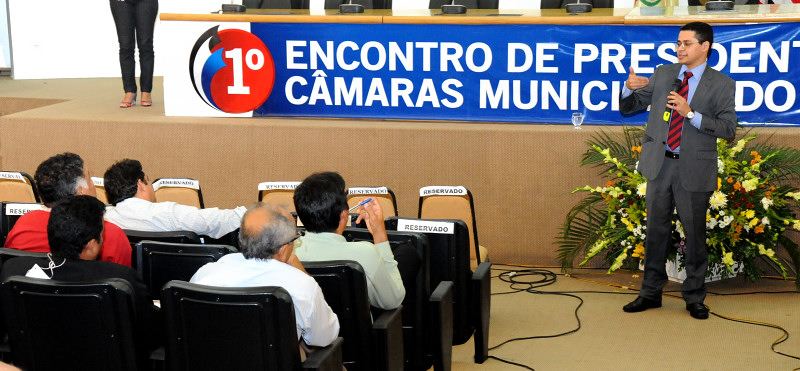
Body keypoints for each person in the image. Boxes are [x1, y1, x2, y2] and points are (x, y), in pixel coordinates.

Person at [619, 22, 737, 320]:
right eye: (678, 43)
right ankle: (650, 293)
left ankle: (694, 297)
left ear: (704, 46)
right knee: (655, 233)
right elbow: (630, 107)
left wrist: (691, 114)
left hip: (693, 169)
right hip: (660, 165)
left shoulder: (722, 84)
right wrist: (628, 87)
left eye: (686, 43)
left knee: (695, 235)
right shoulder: (664, 74)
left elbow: (727, 129)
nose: (680, 48)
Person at [1, 196, 161, 351]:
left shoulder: (13, 270)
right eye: (102, 234)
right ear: (91, 245)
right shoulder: (122, 279)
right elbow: (150, 335)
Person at [191, 203, 339, 348]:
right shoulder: (302, 286)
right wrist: (304, 275)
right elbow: (324, 338)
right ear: (282, 249)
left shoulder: (205, 273)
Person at [293, 171, 419, 310]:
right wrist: (379, 233)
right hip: (359, 329)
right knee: (408, 253)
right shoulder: (364, 252)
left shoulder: (289, 252)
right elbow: (392, 301)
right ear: (344, 215)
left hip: (312, 326)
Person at [4, 153, 131, 267]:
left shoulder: (22, 227)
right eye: (89, 179)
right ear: (81, 192)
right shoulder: (110, 235)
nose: (94, 185)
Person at [103, 159, 245, 239]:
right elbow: (216, 221)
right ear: (141, 185)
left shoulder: (105, 218)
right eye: (148, 180)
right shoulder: (169, 214)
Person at [109, 0, 159, 108]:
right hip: (121, 2)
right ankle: (129, 90)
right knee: (125, 46)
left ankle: (146, 90)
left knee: (146, 45)